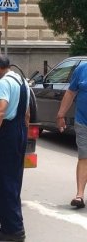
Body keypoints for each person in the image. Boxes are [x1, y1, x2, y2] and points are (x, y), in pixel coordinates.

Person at [0, 53, 30, 242]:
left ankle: (14, 231)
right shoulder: (21, 80)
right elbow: (27, 114)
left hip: (9, 132)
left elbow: (0, 111)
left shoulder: (4, 83)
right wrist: (22, 135)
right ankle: (12, 224)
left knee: (4, 183)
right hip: (20, 132)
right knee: (14, 181)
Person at [56, 62, 87, 209]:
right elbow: (70, 92)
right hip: (83, 122)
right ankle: (79, 195)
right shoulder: (82, 69)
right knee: (84, 156)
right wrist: (61, 114)